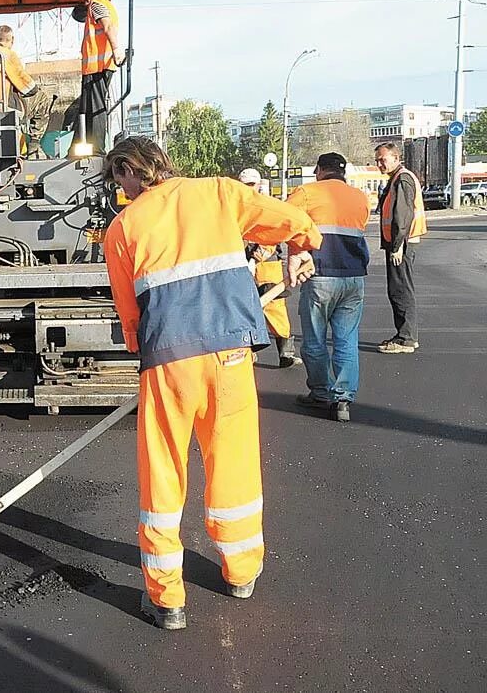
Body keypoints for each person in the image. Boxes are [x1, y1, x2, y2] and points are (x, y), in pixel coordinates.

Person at [102, 137, 320, 630]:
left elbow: (129, 313)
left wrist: (144, 351)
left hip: (169, 363)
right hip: (229, 356)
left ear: (129, 172)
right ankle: (241, 572)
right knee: (234, 461)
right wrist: (301, 249)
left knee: (163, 472)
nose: (120, 189)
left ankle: (167, 600)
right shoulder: (222, 194)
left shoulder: (123, 228)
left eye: (119, 179)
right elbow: (293, 221)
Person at [286, 153, 370, 422]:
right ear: (343, 172)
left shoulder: (306, 193)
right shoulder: (359, 197)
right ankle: (343, 399)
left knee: (314, 339)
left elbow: (283, 220)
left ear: (319, 170)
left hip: (319, 275)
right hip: (354, 277)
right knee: (346, 339)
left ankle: (321, 392)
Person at [237, 169, 300, 368]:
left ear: (258, 184)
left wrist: (255, 259)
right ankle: (248, 351)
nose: (249, 188)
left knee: (274, 307)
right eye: (245, 184)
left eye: (251, 184)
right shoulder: (235, 207)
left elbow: (273, 236)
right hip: (240, 262)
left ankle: (286, 352)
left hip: (267, 262)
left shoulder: (268, 206)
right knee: (242, 309)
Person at [374, 142, 426, 353]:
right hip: (400, 243)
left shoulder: (402, 179)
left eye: (383, 160)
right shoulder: (398, 178)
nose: (379, 164)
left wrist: (396, 246)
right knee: (399, 289)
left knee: (400, 289)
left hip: (401, 244)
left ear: (396, 158)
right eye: (377, 160)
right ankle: (404, 335)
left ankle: (406, 338)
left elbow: (402, 216)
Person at [75, 0, 124, 150]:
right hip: (95, 67)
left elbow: (108, 26)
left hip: (99, 66)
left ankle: (96, 147)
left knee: (96, 106)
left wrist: (117, 50)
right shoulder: (105, 5)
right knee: (86, 107)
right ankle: (80, 145)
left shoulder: (97, 5)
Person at [0, 25, 39, 110]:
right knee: (41, 98)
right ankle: (36, 123)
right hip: (5, 107)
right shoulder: (8, 55)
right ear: (12, 40)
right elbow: (30, 88)